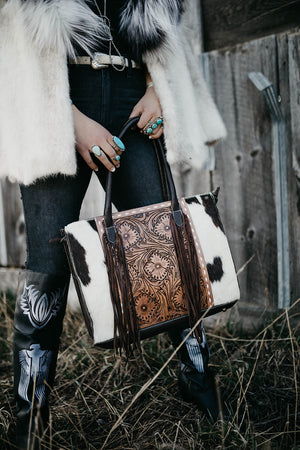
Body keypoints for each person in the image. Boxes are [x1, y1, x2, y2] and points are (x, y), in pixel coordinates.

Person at [0, 0, 227, 448]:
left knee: (164, 243)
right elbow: (14, 36)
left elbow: (167, 27)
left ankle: (199, 381)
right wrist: (70, 119)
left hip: (133, 92)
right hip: (58, 95)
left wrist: (158, 88)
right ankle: (30, 419)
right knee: (48, 263)